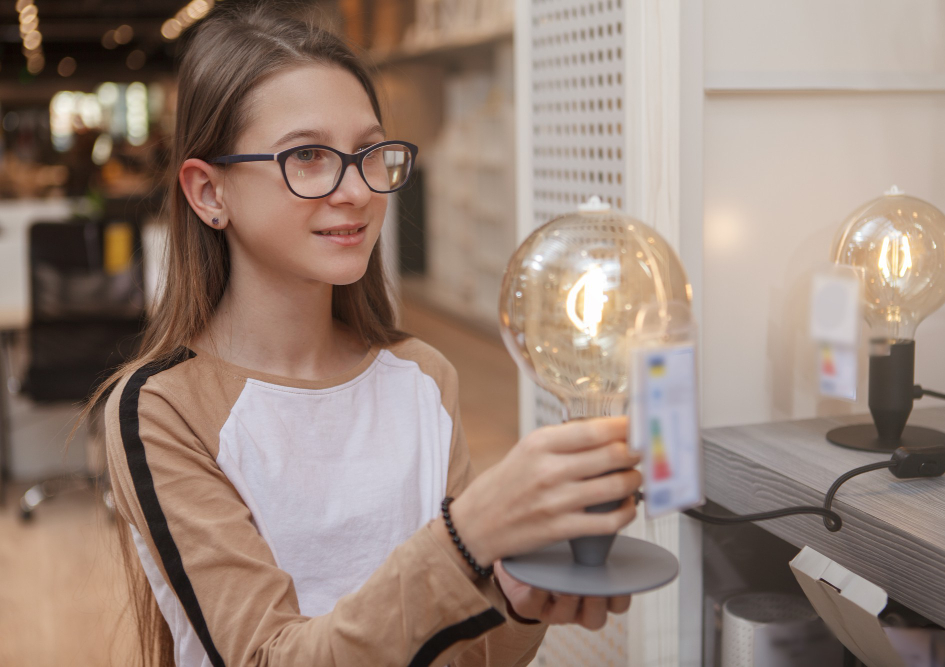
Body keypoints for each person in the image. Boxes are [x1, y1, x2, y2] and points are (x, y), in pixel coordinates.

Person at [83, 4, 641, 666]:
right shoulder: (161, 409)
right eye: (310, 156)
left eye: (370, 152)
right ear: (209, 193)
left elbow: (458, 652)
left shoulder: (423, 377)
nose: (356, 190)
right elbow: (269, 656)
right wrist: (465, 539)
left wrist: (515, 598)